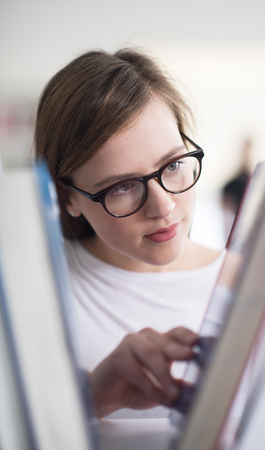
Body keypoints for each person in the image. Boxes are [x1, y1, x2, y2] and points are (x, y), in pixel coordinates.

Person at [34, 48, 225, 419]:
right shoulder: (33, 296)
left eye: (172, 165)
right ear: (68, 197)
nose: (164, 206)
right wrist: (95, 399)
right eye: (121, 187)